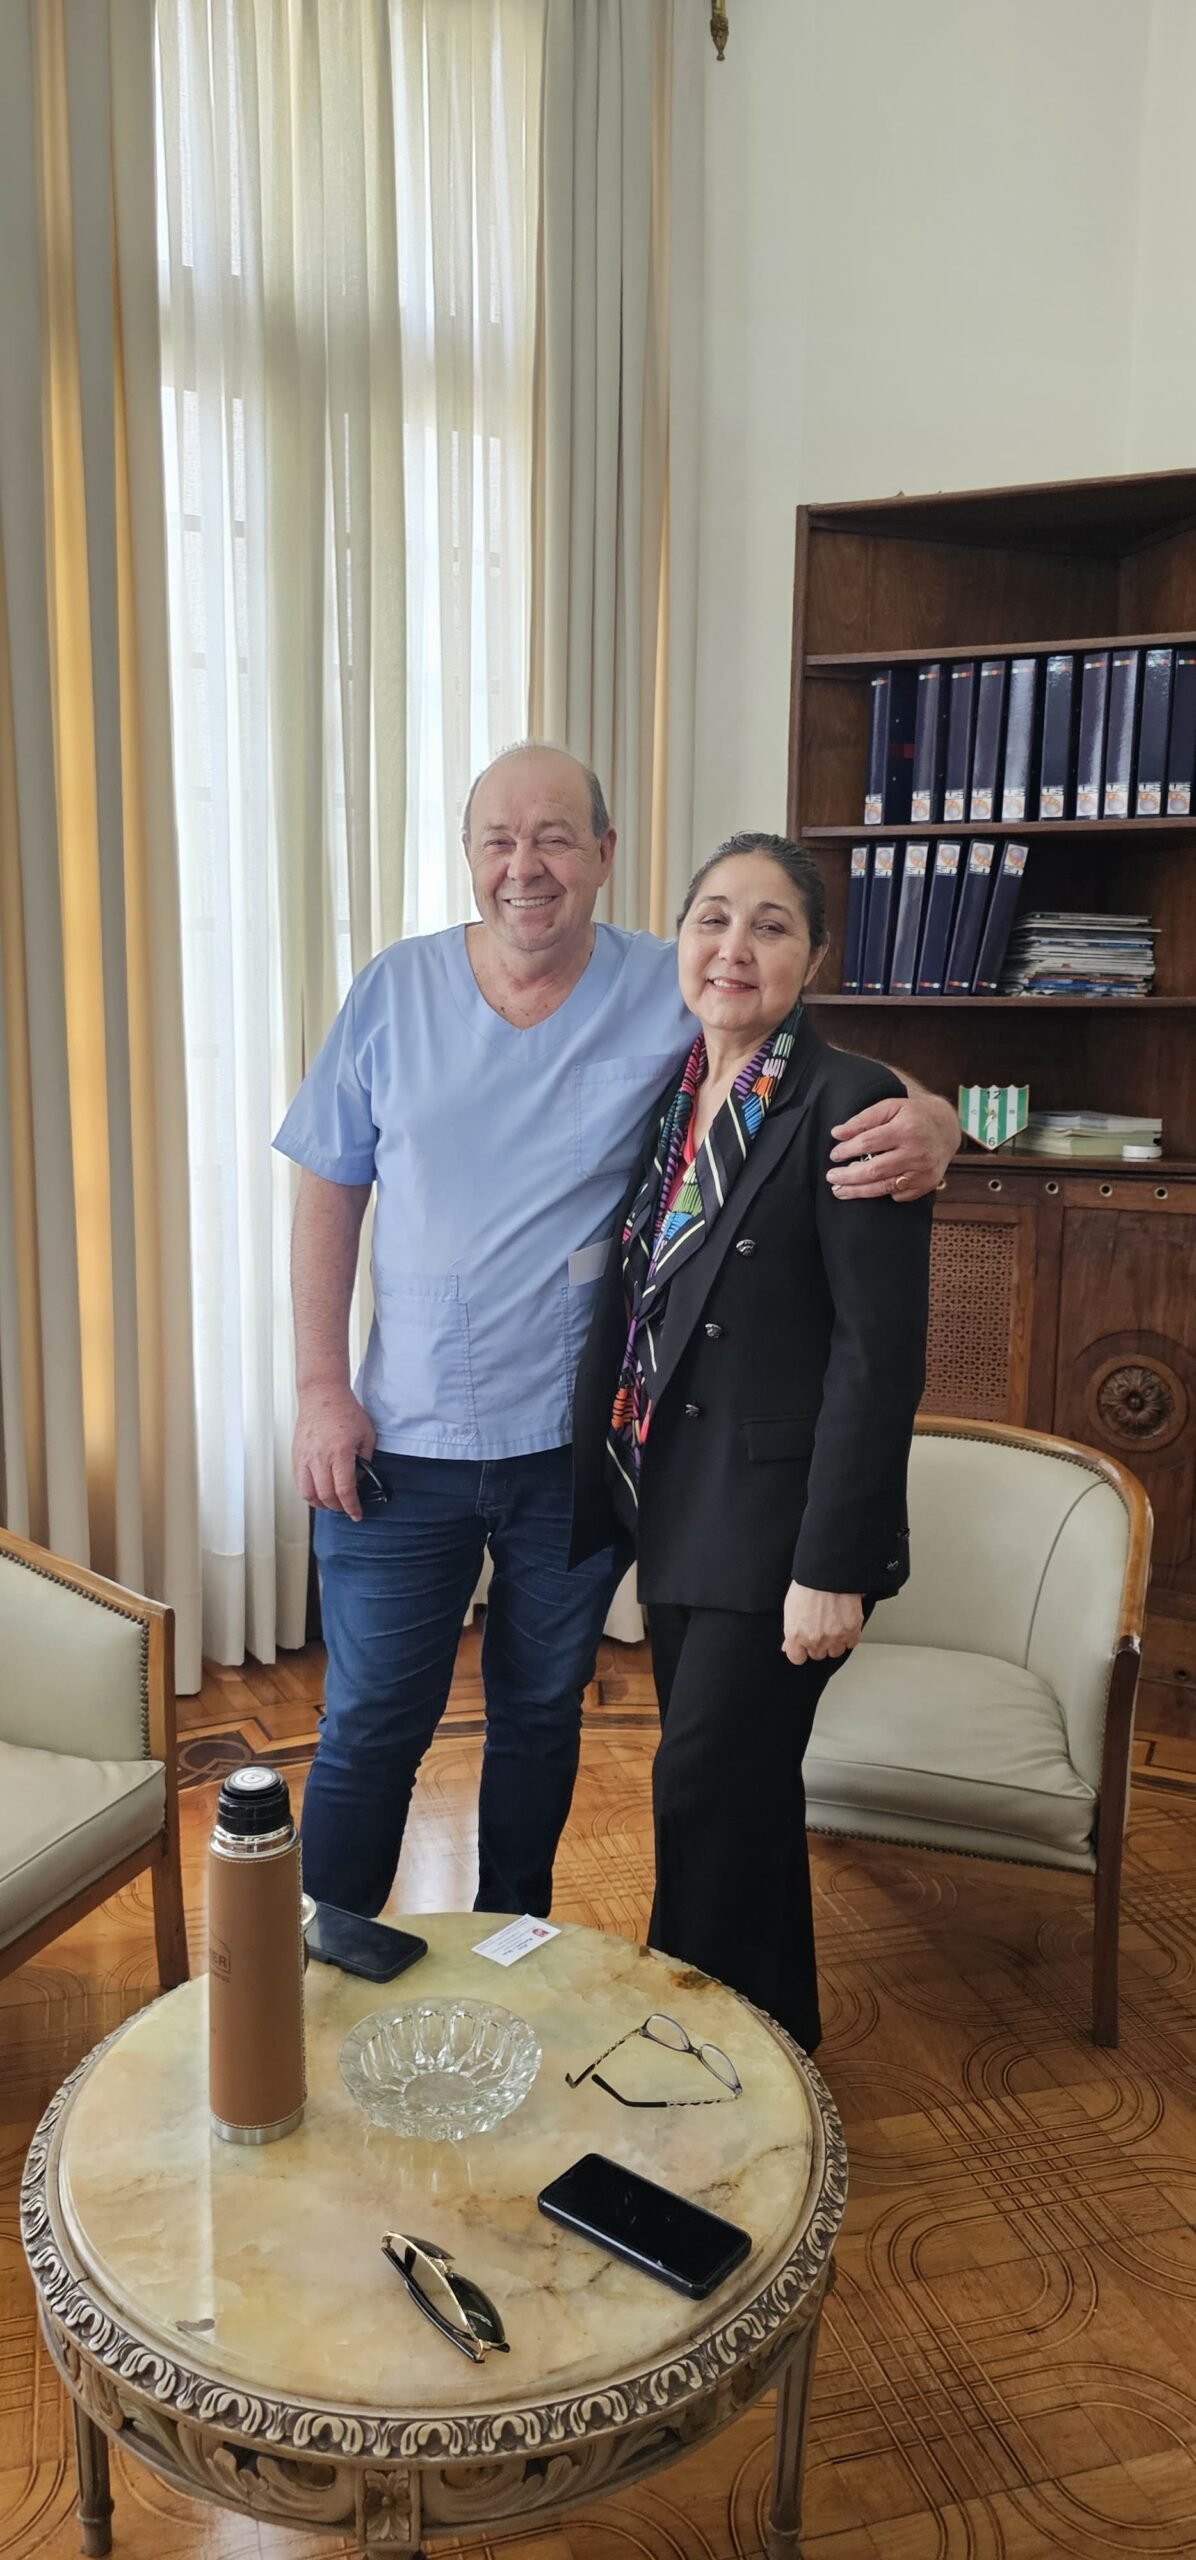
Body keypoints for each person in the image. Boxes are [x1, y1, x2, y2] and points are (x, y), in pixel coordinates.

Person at [273, 747, 953, 1924]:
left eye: (552, 837)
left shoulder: (668, 979)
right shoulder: (392, 990)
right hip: (402, 1445)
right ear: (468, 854)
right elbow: (328, 1188)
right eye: (497, 839)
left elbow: (815, 1065)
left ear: (602, 854)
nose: (523, 866)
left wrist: (935, 1118)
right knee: (371, 1721)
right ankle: (317, 1964)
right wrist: (319, 1387)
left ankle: (511, 1945)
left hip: (574, 1454)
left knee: (541, 1716)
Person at [570, 833, 932, 2052]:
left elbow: (876, 1356)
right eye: (711, 918)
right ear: (677, 940)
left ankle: (688, 2069)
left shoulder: (851, 1103)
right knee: (741, 1793)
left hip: (777, 1531)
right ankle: (779, 2042)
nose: (733, 947)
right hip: (680, 1507)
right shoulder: (675, 1094)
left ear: (812, 957)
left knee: (699, 1792)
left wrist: (833, 1564)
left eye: (769, 925)